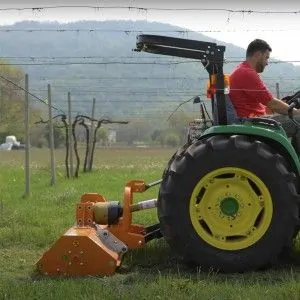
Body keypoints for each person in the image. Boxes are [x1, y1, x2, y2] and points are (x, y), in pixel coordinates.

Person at [229, 38, 300, 151]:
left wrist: (285, 105)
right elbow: (272, 103)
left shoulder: (242, 70)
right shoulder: (247, 73)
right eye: (266, 58)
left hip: (253, 119)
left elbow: (266, 102)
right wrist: (295, 112)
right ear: (257, 55)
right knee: (299, 119)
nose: (267, 62)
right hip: (254, 123)